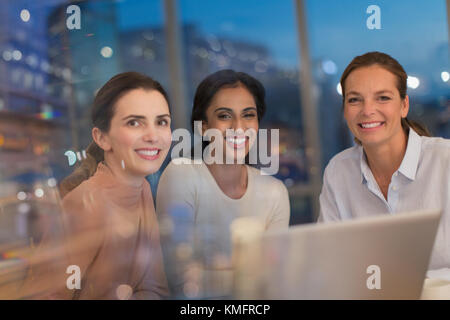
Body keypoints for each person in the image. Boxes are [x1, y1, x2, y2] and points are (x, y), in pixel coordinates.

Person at [156, 69, 290, 298]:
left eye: (248, 115)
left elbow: (275, 280)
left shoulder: (274, 192)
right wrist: (248, 274)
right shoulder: (181, 175)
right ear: (204, 127)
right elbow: (181, 279)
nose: (239, 127)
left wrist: (216, 273)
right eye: (225, 116)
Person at [318, 52, 450, 270]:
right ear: (344, 110)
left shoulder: (444, 162)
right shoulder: (338, 172)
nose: (367, 110)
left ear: (404, 105)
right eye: (354, 99)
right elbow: (330, 264)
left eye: (383, 97)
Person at [55, 72, 171, 299]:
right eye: (134, 122)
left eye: (161, 122)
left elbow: (154, 286)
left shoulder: (143, 189)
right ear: (102, 138)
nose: (153, 135)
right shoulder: (85, 204)